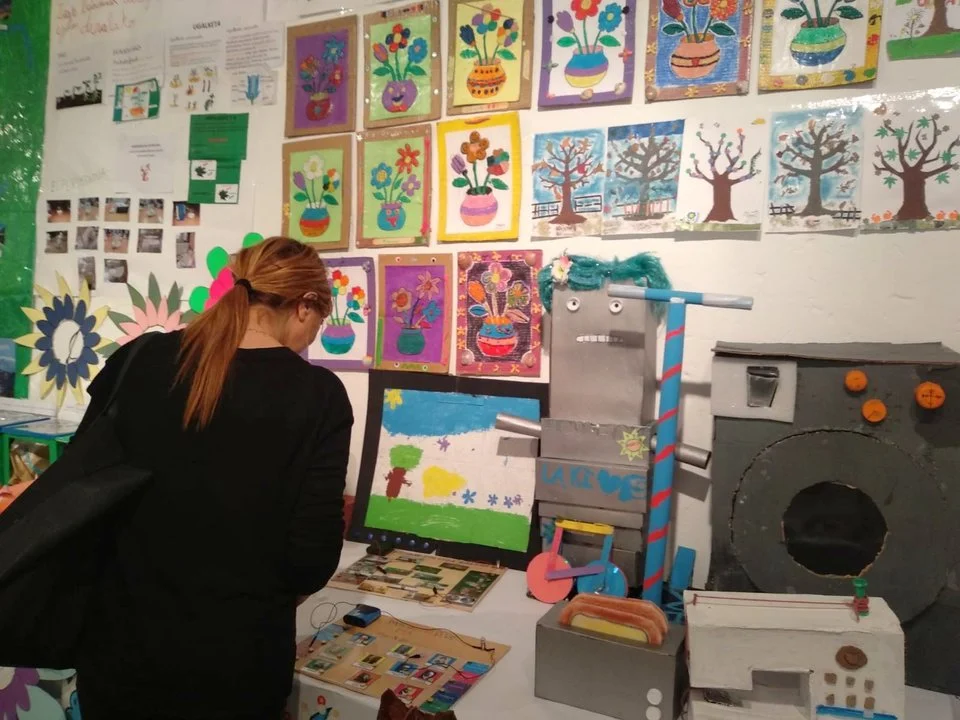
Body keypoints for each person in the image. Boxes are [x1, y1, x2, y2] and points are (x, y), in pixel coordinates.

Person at [74, 236, 353, 720]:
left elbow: (83, 487)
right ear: (305, 306)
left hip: (117, 657)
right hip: (234, 670)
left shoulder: (141, 357)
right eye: (319, 321)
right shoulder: (319, 396)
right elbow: (310, 562)